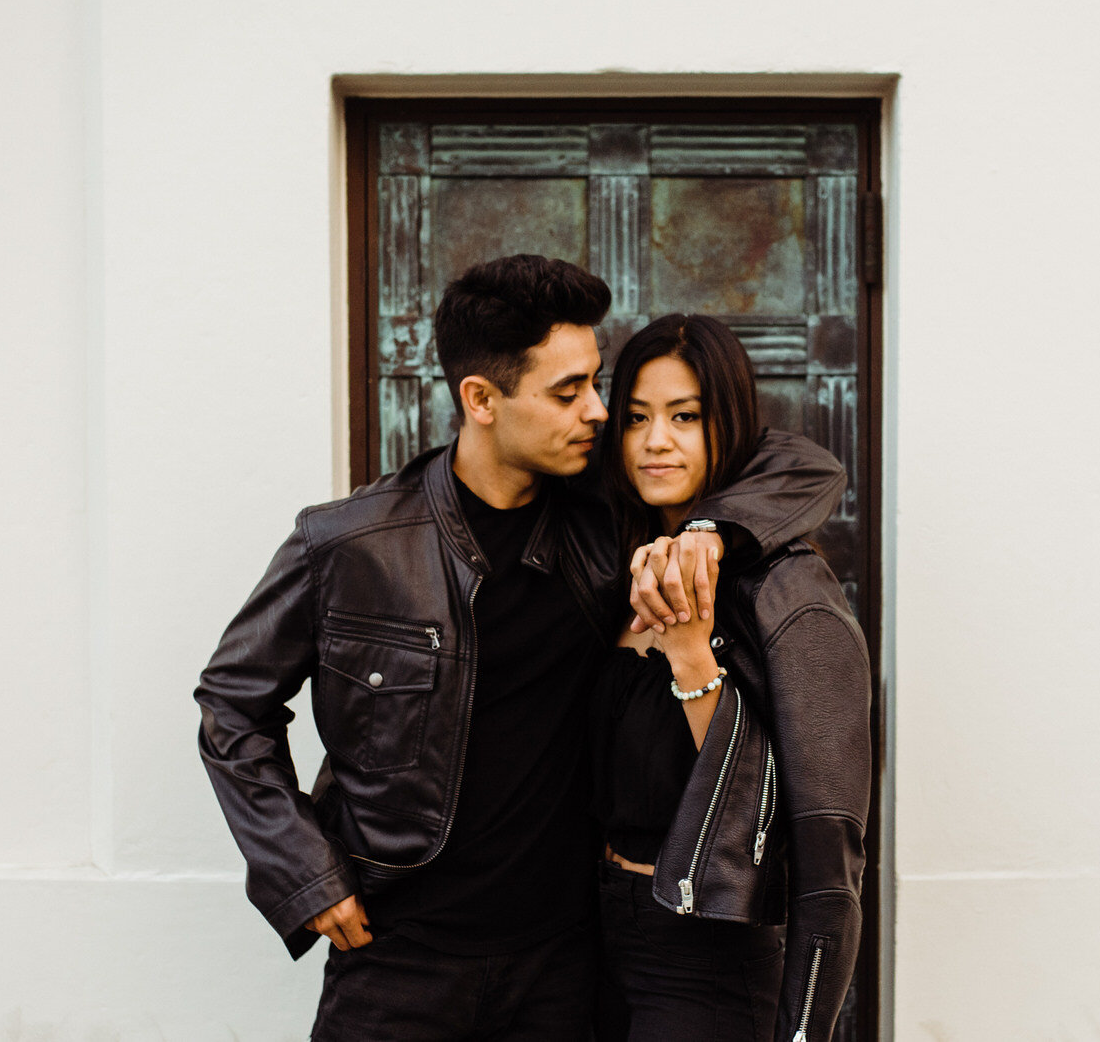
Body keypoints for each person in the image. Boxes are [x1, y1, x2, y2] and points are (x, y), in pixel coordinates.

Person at [195, 254, 847, 1041]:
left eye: (596, 382)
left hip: (563, 966)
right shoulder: (348, 544)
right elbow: (233, 707)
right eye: (568, 392)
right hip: (399, 961)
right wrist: (304, 874)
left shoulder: (605, 525)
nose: (602, 414)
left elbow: (800, 464)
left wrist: (710, 532)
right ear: (481, 399)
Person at [591, 314, 874, 1041]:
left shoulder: (792, 596)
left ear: (732, 427)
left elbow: (826, 843)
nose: (657, 440)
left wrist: (690, 648)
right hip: (587, 939)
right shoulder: (611, 559)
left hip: (710, 957)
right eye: (637, 418)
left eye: (686, 416)